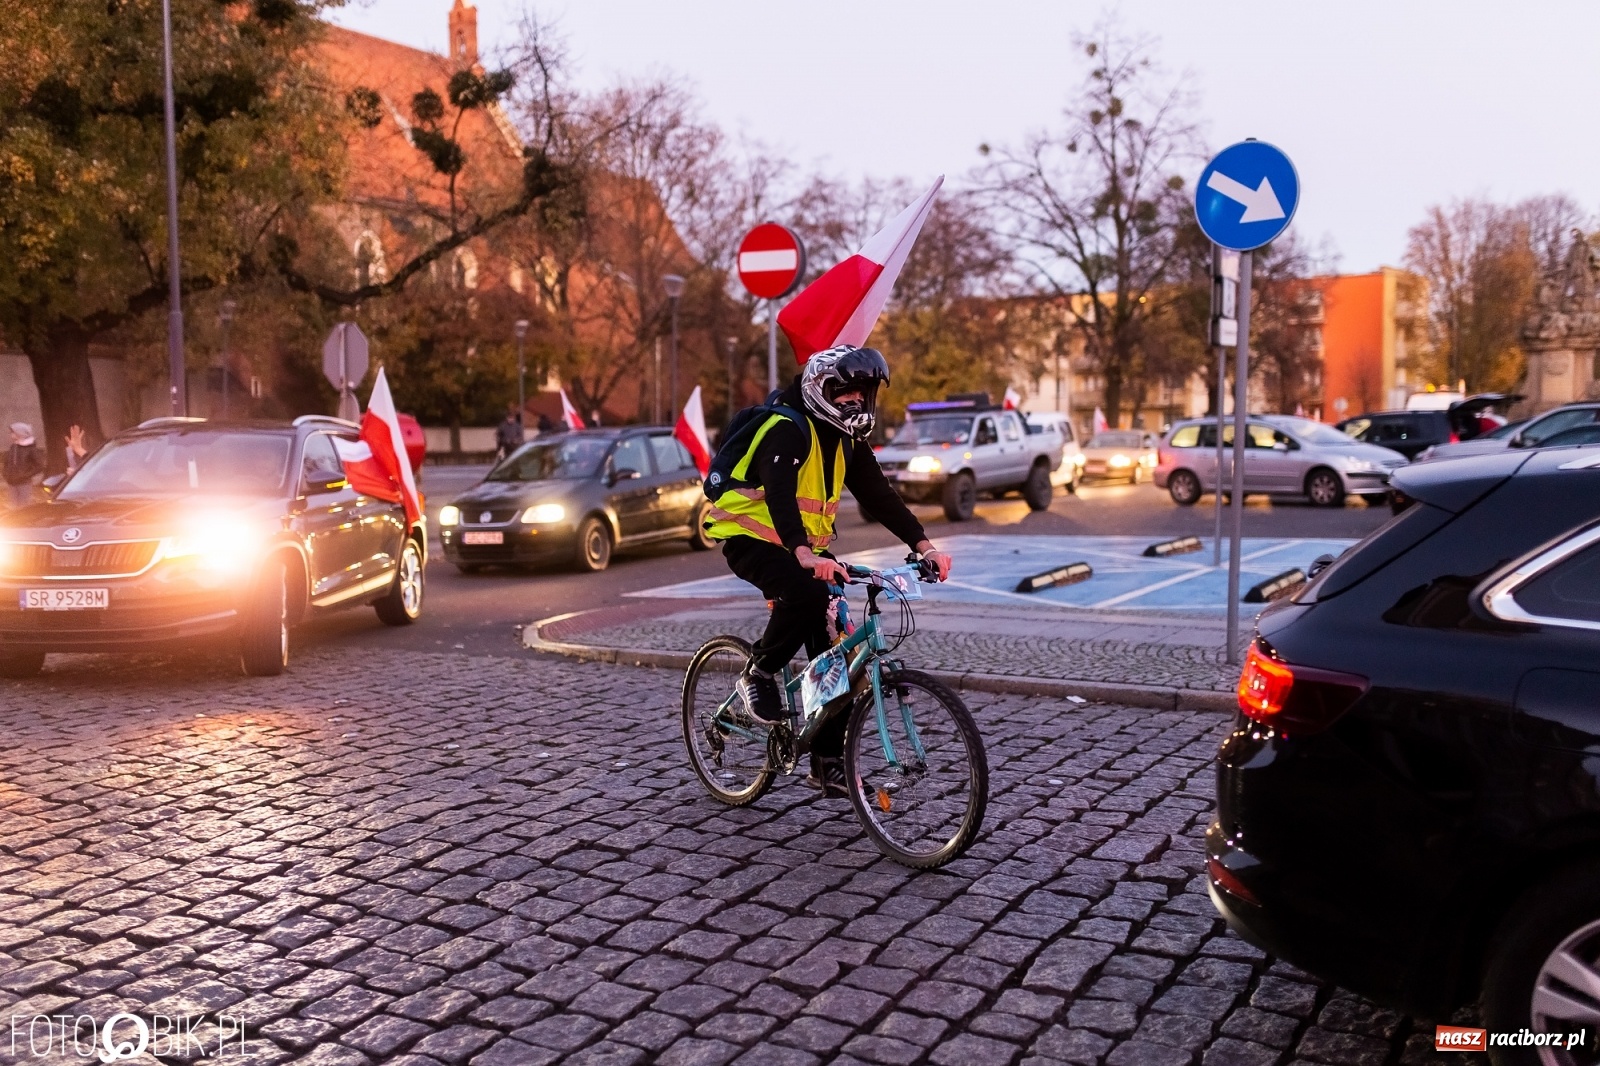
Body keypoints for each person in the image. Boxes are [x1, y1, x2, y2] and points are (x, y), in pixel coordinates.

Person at [704, 345, 952, 795]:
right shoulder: (787, 430)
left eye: (863, 393)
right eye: (846, 392)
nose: (856, 401)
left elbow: (880, 496)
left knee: (834, 653)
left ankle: (827, 762)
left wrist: (925, 546)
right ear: (822, 391)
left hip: (806, 553)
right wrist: (802, 553)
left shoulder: (846, 440)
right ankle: (758, 673)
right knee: (808, 595)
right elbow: (780, 496)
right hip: (749, 538)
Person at [4, 422, 43, 509]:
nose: (10, 434)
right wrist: (6, 474)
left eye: (12, 432)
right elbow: (7, 462)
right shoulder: (13, 447)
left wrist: (25, 475)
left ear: (20, 433)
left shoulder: (30, 448)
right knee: (13, 507)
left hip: (24, 483)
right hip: (12, 482)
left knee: (24, 507)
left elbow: (39, 465)